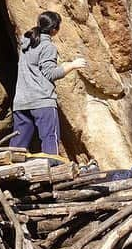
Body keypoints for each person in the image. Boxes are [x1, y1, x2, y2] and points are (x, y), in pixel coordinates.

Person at [10, 11, 86, 156]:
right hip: (42, 102)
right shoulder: (47, 47)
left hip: (21, 102)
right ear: (54, 30)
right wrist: (71, 65)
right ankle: (54, 172)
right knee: (50, 140)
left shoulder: (25, 43)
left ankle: (8, 174)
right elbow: (50, 73)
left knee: (17, 146)